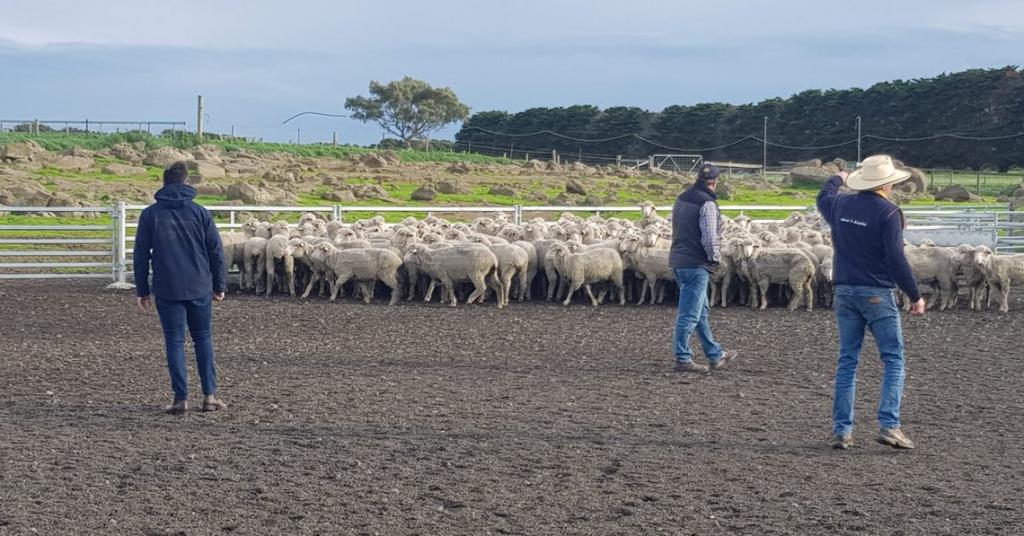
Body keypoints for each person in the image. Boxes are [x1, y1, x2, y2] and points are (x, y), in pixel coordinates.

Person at [816, 155, 925, 450]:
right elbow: (895, 258)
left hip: (844, 290)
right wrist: (914, 295)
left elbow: (822, 196)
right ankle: (889, 425)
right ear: (888, 183)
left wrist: (839, 177)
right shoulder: (889, 213)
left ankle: (842, 430)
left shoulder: (840, 205)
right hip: (876, 292)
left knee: (847, 360)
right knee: (893, 358)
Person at [134, 161, 228, 414]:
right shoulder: (200, 213)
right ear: (187, 183)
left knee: (174, 341)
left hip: (167, 286)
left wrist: (142, 289)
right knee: (203, 338)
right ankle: (210, 395)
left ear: (164, 183)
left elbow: (141, 254)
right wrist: (219, 284)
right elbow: (216, 251)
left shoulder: (151, 214)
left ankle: (180, 399)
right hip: (199, 285)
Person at [668, 163, 738, 373]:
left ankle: (715, 354)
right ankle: (682, 358)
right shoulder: (707, 203)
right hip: (695, 263)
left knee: (700, 311)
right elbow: (709, 236)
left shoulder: (681, 198)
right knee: (689, 314)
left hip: (678, 260)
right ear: (715, 182)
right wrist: (715, 259)